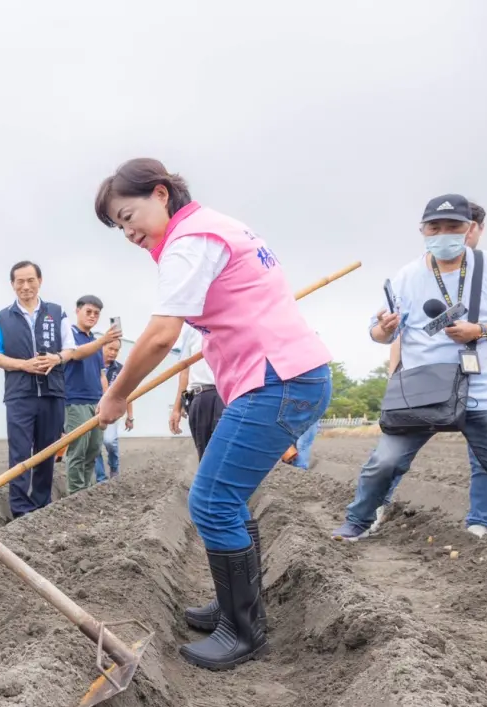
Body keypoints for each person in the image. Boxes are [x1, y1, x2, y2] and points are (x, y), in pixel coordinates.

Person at [94, 157, 332, 671]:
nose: (127, 231)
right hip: (282, 377)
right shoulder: (214, 228)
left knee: (211, 499)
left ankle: (243, 632)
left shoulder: (189, 241)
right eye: (118, 226)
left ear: (160, 194)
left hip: (279, 380)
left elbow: (159, 335)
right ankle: (233, 608)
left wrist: (117, 395)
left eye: (128, 215)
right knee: (227, 495)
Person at [333, 194, 487, 543]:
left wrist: (479, 330)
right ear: (422, 231)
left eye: (452, 227)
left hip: (482, 390)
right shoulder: (407, 275)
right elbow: (377, 332)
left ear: (469, 228)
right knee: (384, 462)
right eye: (434, 228)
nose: (443, 234)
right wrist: (386, 328)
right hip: (423, 391)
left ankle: (480, 523)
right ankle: (359, 520)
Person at [0, 260, 76, 518]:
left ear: (40, 281)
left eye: (30, 280)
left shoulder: (56, 313)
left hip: (52, 392)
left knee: (47, 451)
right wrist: (24, 365)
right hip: (19, 394)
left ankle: (41, 503)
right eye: (20, 282)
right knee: (19, 452)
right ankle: (20, 508)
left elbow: (70, 349)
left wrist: (56, 359)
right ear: (12, 284)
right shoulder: (2, 318)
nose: (25, 286)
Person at [62, 295, 121, 493]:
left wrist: (107, 398)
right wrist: (104, 340)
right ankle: (74, 494)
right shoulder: (68, 335)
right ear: (77, 311)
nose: (92, 316)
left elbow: (101, 375)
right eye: (88, 312)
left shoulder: (94, 342)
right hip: (75, 401)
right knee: (78, 450)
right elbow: (76, 354)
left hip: (95, 402)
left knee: (93, 449)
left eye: (96, 313)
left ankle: (84, 491)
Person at [170, 322, 223, 459]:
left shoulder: (230, 320)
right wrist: (177, 408)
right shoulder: (191, 328)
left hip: (225, 395)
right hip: (199, 397)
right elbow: (184, 370)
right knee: (205, 455)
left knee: (224, 453)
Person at [96, 340, 134, 482]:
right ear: (102, 346)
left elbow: (127, 394)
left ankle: (114, 468)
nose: (113, 353)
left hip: (110, 412)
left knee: (109, 441)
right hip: (93, 410)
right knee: (96, 447)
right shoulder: (93, 365)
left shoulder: (120, 370)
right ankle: (101, 479)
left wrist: (130, 417)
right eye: (110, 348)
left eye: (116, 350)